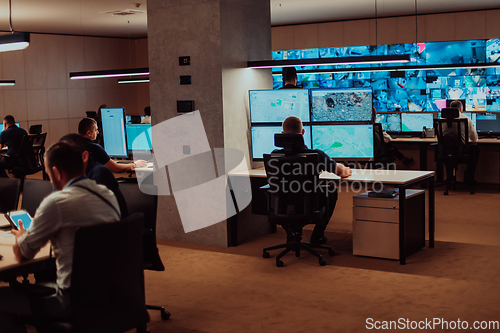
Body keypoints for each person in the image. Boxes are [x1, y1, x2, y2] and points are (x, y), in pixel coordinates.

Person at [0, 142, 121, 333]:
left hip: (72, 300)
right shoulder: (107, 195)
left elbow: (22, 254)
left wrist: (22, 236)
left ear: (56, 172)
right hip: (111, 294)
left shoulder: (56, 203)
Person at [272, 116, 352, 244]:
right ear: (303, 133)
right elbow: (341, 172)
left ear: (282, 134)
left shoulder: (274, 155)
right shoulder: (315, 155)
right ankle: (317, 235)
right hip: (311, 203)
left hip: (283, 205)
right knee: (331, 190)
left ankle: (290, 232)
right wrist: (347, 169)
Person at [60, 133, 129, 217]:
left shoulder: (99, 174)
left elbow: (100, 215)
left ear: (84, 156)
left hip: (113, 227)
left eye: (68, 156)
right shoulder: (72, 175)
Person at [78, 117, 147, 173]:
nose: (98, 132)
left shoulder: (72, 145)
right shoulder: (94, 148)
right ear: (89, 133)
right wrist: (134, 164)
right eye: (96, 130)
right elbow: (116, 168)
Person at [442, 100, 479, 186]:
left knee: (446, 153)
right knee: (476, 150)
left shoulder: (442, 119)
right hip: (462, 152)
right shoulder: (466, 118)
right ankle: (469, 176)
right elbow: (474, 139)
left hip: (446, 152)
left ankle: (449, 176)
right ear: (461, 109)